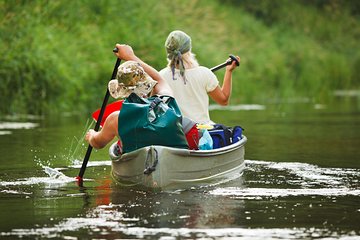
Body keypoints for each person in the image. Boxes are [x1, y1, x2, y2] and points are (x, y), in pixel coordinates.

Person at [85, 44, 173, 150]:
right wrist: (130, 56)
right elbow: (159, 80)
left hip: (140, 161)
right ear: (146, 84)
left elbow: (98, 143)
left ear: (122, 91)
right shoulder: (166, 99)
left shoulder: (116, 118)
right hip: (173, 154)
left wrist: (92, 135)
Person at [159, 30, 241, 125]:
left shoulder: (161, 76)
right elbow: (224, 100)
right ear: (188, 49)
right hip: (200, 133)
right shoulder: (204, 73)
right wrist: (229, 71)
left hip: (175, 132)